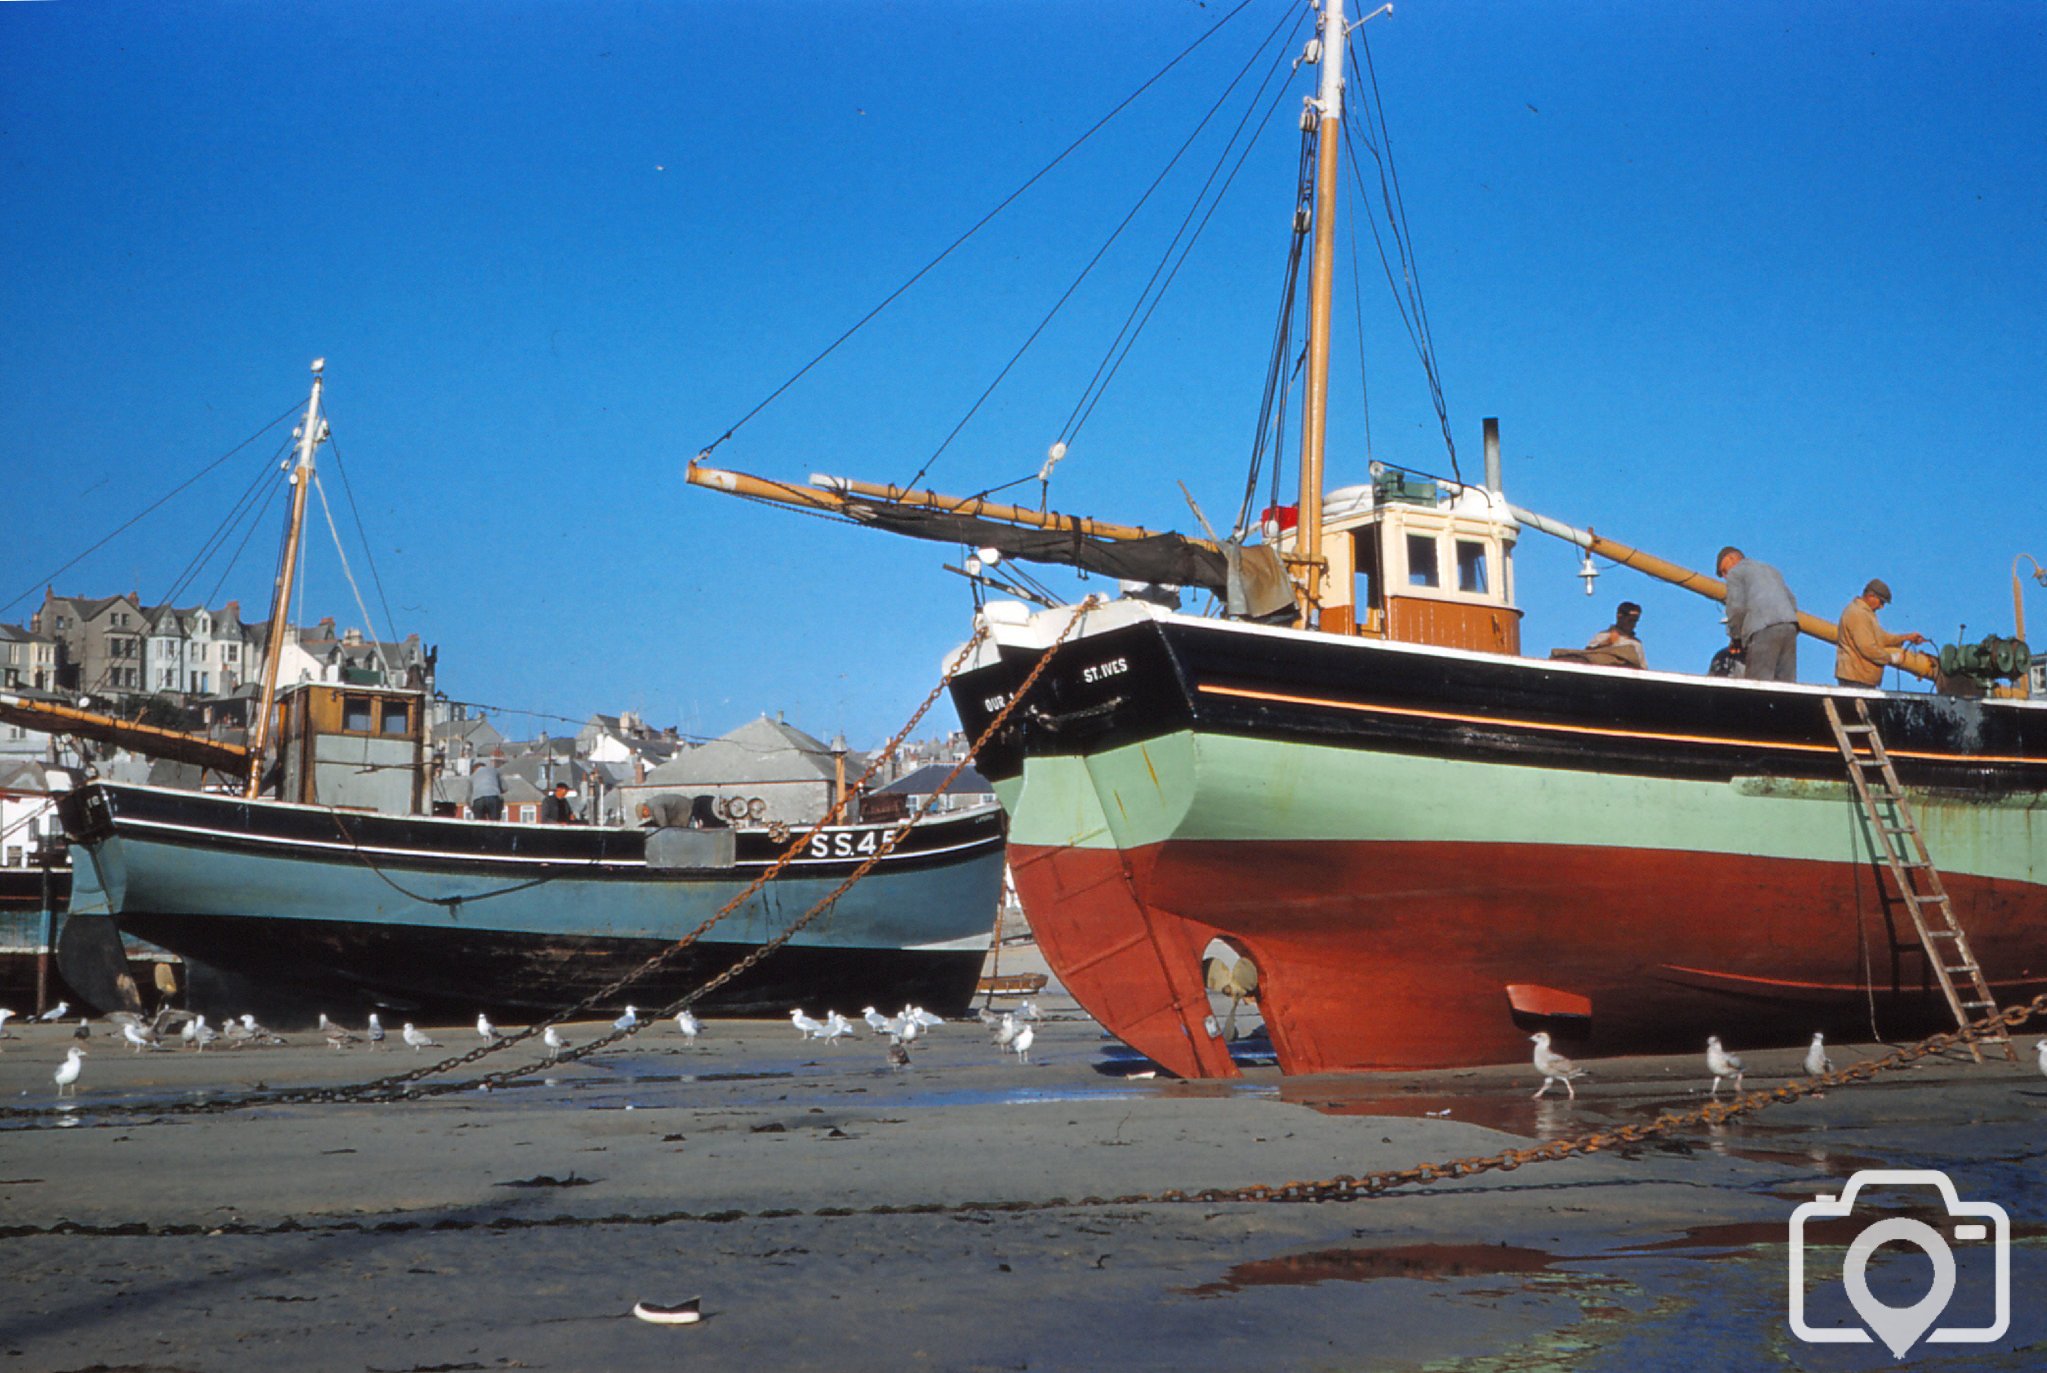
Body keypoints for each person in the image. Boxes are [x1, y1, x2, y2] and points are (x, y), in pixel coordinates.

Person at [1717, 546, 1800, 682]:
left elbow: (1736, 609)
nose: (1725, 576)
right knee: (1786, 686)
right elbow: (1792, 601)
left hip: (1763, 629)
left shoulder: (1736, 573)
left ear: (1731, 558)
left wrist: (1736, 638)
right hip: (1790, 627)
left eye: (1724, 571)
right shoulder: (1770, 570)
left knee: (1758, 684)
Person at [1835, 578, 1925, 687]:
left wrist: (1905, 638)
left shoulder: (1864, 613)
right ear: (1871, 596)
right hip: (1856, 679)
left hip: (1860, 678)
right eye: (1881, 602)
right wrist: (1890, 658)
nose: (1881, 606)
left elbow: (1880, 637)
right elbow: (1867, 648)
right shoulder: (1858, 614)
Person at [470, 754, 505, 821]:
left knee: (479, 824)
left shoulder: (472, 777)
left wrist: (473, 809)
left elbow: (468, 798)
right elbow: (505, 788)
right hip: (493, 797)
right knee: (495, 823)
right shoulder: (494, 770)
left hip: (478, 800)